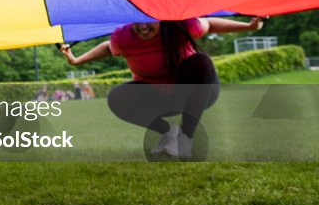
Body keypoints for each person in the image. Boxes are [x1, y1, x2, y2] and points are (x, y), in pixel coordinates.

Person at [60, 17, 264, 158]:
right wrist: (77, 60)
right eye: (137, 21)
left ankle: (186, 138)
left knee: (200, 61)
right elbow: (108, 47)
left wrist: (249, 27)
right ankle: (169, 132)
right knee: (117, 97)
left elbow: (209, 24)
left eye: (149, 20)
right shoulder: (124, 37)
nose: (143, 27)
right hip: (158, 97)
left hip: (195, 91)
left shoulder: (181, 25)